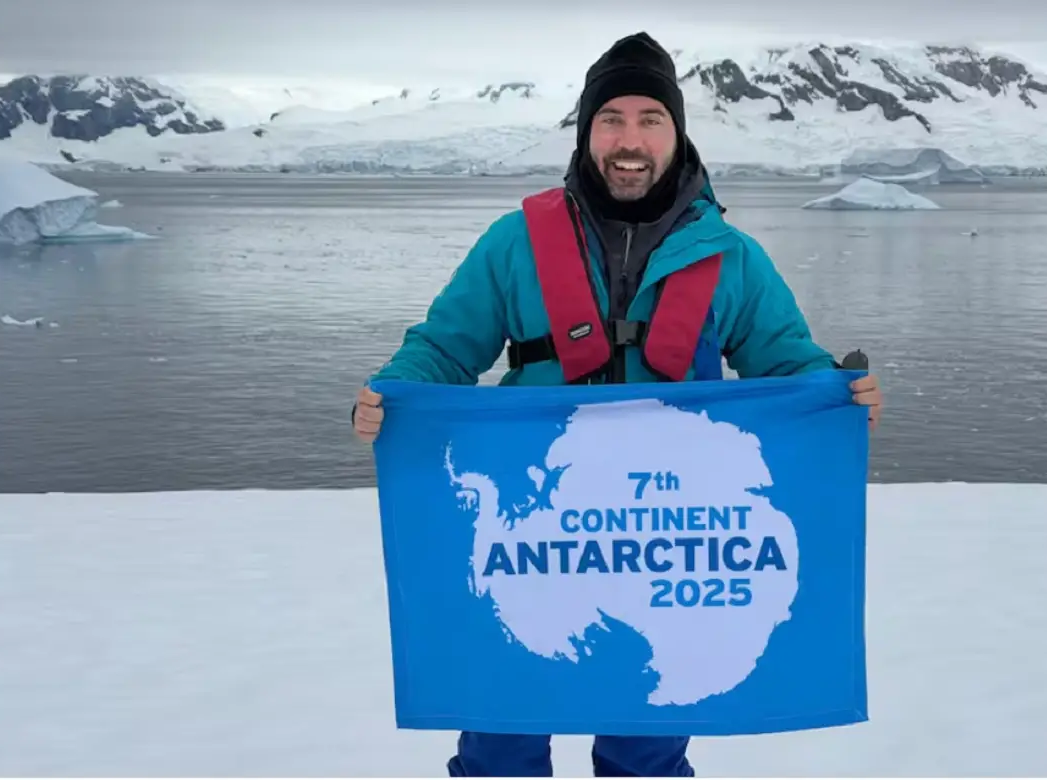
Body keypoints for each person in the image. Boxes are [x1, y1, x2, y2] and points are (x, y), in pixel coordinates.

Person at [353, 31, 882, 778]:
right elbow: (444, 346)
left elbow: (787, 364)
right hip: (535, 531)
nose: (629, 140)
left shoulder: (732, 259)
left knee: (648, 742)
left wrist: (840, 392)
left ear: (677, 133)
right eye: (612, 119)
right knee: (501, 731)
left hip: (665, 537)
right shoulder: (514, 244)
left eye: (649, 119)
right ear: (586, 132)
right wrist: (391, 393)